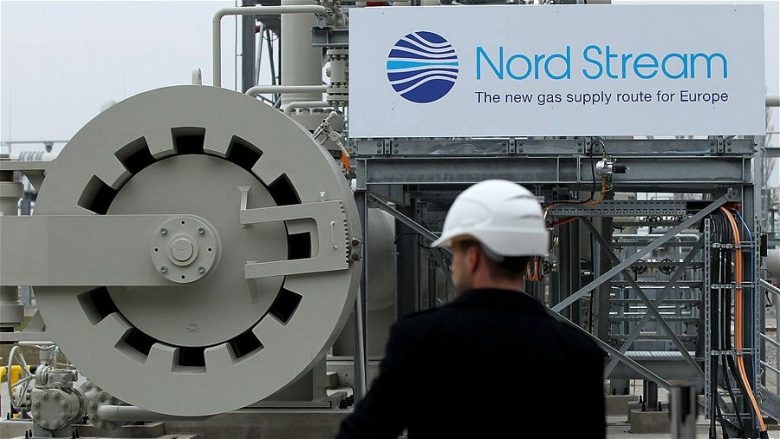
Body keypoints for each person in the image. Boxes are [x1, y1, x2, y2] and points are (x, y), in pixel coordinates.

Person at [335, 179, 606, 439]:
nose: (452, 265)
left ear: (473, 257)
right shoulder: (577, 353)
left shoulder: (419, 340)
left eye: (454, 253)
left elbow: (364, 433)